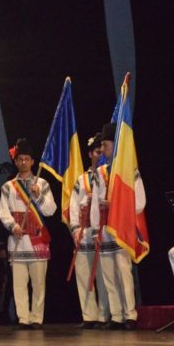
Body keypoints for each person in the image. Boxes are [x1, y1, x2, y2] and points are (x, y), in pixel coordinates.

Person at [90, 123, 146, 330]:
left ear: (115, 144)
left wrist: (114, 205)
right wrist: (95, 230)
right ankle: (116, 316)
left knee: (124, 272)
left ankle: (130, 314)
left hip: (122, 228)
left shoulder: (129, 170)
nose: (102, 149)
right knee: (108, 275)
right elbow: (95, 203)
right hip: (104, 229)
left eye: (105, 144)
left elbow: (140, 203)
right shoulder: (100, 172)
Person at [0, 139, 57, 330]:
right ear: (15, 161)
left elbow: (51, 210)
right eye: (20, 159)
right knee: (19, 284)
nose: (23, 162)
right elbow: (3, 212)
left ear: (32, 161)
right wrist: (13, 226)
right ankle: (23, 318)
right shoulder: (8, 187)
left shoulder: (42, 183)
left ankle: (37, 318)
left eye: (27, 159)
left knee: (39, 284)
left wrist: (38, 195)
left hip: (37, 240)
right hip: (17, 239)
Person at [69, 133, 110, 329]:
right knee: (83, 274)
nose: (99, 155)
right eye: (96, 152)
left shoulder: (108, 176)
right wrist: (75, 229)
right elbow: (73, 205)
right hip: (84, 232)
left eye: (102, 152)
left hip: (102, 230)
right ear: (90, 154)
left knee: (103, 275)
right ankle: (89, 316)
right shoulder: (82, 179)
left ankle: (104, 315)